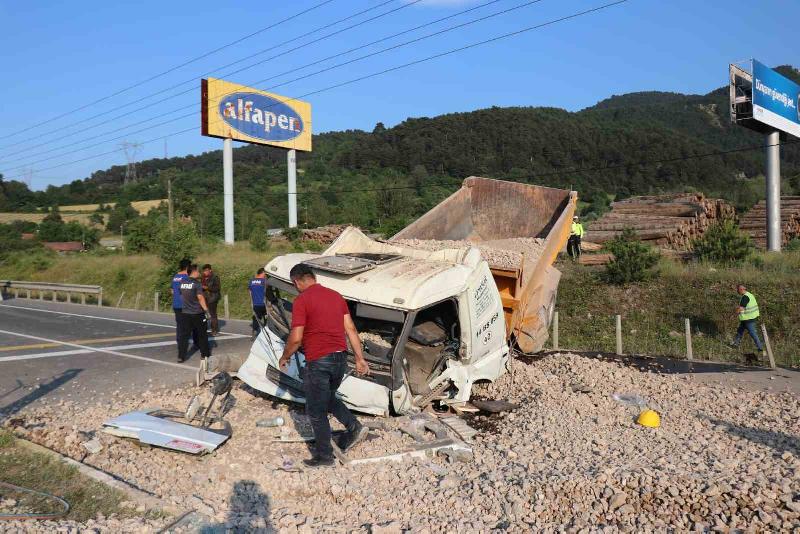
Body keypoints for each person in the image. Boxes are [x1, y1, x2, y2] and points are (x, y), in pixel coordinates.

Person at [278, 263, 370, 468]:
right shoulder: (336, 296)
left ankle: (324, 457)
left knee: (316, 410)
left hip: (319, 361)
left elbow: (296, 338)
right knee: (328, 397)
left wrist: (285, 356)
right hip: (340, 359)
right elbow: (351, 329)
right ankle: (354, 427)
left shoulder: (302, 300)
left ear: (296, 282)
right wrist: (359, 358)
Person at [177, 265, 211, 363]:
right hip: (197, 312)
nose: (199, 273)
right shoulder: (197, 284)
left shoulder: (182, 283)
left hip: (185, 313)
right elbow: (200, 297)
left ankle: (181, 356)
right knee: (202, 334)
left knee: (184, 336)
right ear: (194, 272)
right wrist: (206, 311)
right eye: (198, 271)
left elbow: (181, 295)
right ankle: (205, 355)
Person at [170, 259, 198, 349]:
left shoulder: (175, 276)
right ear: (187, 267)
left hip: (176, 304)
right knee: (193, 324)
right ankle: (196, 343)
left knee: (180, 324)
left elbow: (172, 291)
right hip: (187, 304)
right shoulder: (187, 277)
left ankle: (179, 340)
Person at [731, 284, 765, 357]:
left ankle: (760, 348)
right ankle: (735, 344)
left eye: (738, 290)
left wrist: (734, 313)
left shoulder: (745, 297)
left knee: (753, 334)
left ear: (741, 290)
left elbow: (741, 308)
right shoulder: (750, 295)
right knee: (739, 331)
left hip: (748, 319)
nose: (737, 291)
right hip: (747, 318)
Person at [201, 264, 221, 336]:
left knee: (213, 314)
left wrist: (207, 288)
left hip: (213, 298)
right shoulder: (202, 277)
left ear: (210, 270)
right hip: (204, 298)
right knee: (203, 314)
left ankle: (214, 330)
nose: (205, 272)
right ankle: (203, 330)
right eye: (204, 271)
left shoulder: (215, 277)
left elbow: (217, 288)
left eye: (206, 270)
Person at [249, 268, 267, 337]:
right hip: (264, 304)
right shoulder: (264, 281)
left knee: (256, 319)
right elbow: (266, 292)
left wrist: (252, 303)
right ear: (262, 273)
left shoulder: (251, 281)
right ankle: (266, 334)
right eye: (265, 274)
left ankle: (254, 333)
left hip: (256, 304)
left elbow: (250, 293)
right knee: (267, 320)